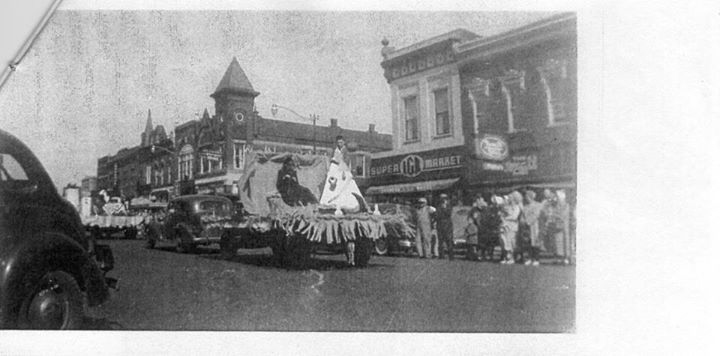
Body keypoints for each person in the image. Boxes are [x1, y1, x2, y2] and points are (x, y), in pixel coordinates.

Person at [521, 190, 544, 266]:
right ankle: (529, 258)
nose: (526, 198)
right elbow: (522, 216)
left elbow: (536, 215)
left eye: (527, 196)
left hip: (534, 226)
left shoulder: (538, 205)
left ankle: (536, 258)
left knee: (535, 242)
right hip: (526, 227)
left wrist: (528, 222)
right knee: (528, 242)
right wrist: (523, 221)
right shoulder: (525, 207)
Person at [499, 191, 522, 264]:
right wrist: (502, 218)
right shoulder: (506, 206)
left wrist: (506, 218)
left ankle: (511, 257)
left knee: (510, 241)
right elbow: (501, 214)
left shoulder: (517, 207)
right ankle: (506, 256)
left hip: (512, 226)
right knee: (503, 241)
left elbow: (514, 217)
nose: (509, 199)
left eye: (511, 198)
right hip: (504, 226)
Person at [435, 194, 454, 260]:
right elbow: (437, 215)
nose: (443, 200)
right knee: (440, 241)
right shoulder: (438, 207)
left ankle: (451, 256)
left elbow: (449, 214)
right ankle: (441, 255)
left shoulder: (449, 206)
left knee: (449, 241)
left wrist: (444, 208)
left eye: (444, 199)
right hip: (440, 225)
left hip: (447, 226)